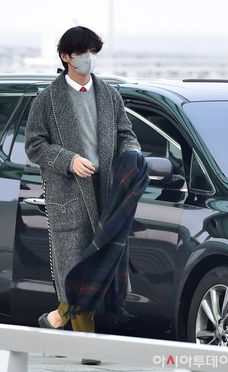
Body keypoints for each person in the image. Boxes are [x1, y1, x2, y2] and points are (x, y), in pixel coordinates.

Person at [24, 25, 141, 365]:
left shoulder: (108, 94)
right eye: (83, 52)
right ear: (66, 57)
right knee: (77, 269)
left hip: (107, 193)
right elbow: (34, 145)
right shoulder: (47, 99)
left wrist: (132, 156)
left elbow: (126, 134)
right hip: (70, 197)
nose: (89, 59)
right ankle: (88, 348)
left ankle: (56, 319)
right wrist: (69, 160)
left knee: (100, 267)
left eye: (92, 52)